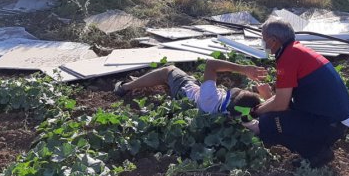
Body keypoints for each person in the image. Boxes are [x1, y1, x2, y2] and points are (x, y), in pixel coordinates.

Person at [247, 17, 349, 167]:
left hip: (331, 124)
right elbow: (281, 98)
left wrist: (254, 113)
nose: (263, 43)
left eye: (264, 39)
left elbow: (280, 104)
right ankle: (317, 144)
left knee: (269, 122)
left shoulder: (288, 57)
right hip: (335, 120)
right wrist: (258, 109)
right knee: (279, 113)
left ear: (273, 41)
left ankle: (316, 153)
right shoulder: (296, 51)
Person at [113, 60, 266, 115]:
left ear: (230, 98)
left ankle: (125, 87)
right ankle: (148, 81)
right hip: (199, 102)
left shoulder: (210, 99)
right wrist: (266, 95)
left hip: (185, 91)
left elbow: (211, 64)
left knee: (169, 71)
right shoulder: (241, 116)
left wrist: (243, 69)